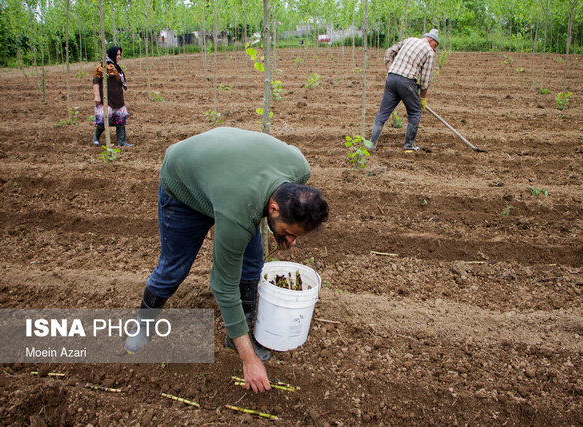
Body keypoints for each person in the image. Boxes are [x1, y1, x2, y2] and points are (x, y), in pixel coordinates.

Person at [125, 127, 329, 393]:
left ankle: (236, 337)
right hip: (184, 183)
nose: (290, 241)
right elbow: (222, 285)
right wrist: (249, 360)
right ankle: (142, 325)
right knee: (173, 269)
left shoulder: (298, 168)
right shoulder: (239, 212)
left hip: (226, 180)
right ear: (274, 208)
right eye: (289, 234)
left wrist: (282, 230)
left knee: (253, 264)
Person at [368, 29, 439, 153]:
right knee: (415, 113)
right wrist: (422, 98)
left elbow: (389, 52)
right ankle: (408, 146)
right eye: (435, 45)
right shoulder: (429, 52)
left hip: (391, 79)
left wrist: (390, 69)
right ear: (431, 40)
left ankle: (371, 145)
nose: (435, 49)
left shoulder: (409, 40)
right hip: (407, 82)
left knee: (382, 114)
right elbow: (425, 80)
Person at [92, 46, 133, 147]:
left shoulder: (116, 67)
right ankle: (96, 137)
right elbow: (96, 82)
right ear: (112, 54)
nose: (119, 56)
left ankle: (122, 141)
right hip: (106, 99)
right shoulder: (102, 66)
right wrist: (97, 96)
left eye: (119, 54)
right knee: (103, 120)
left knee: (120, 120)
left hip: (117, 98)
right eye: (117, 54)